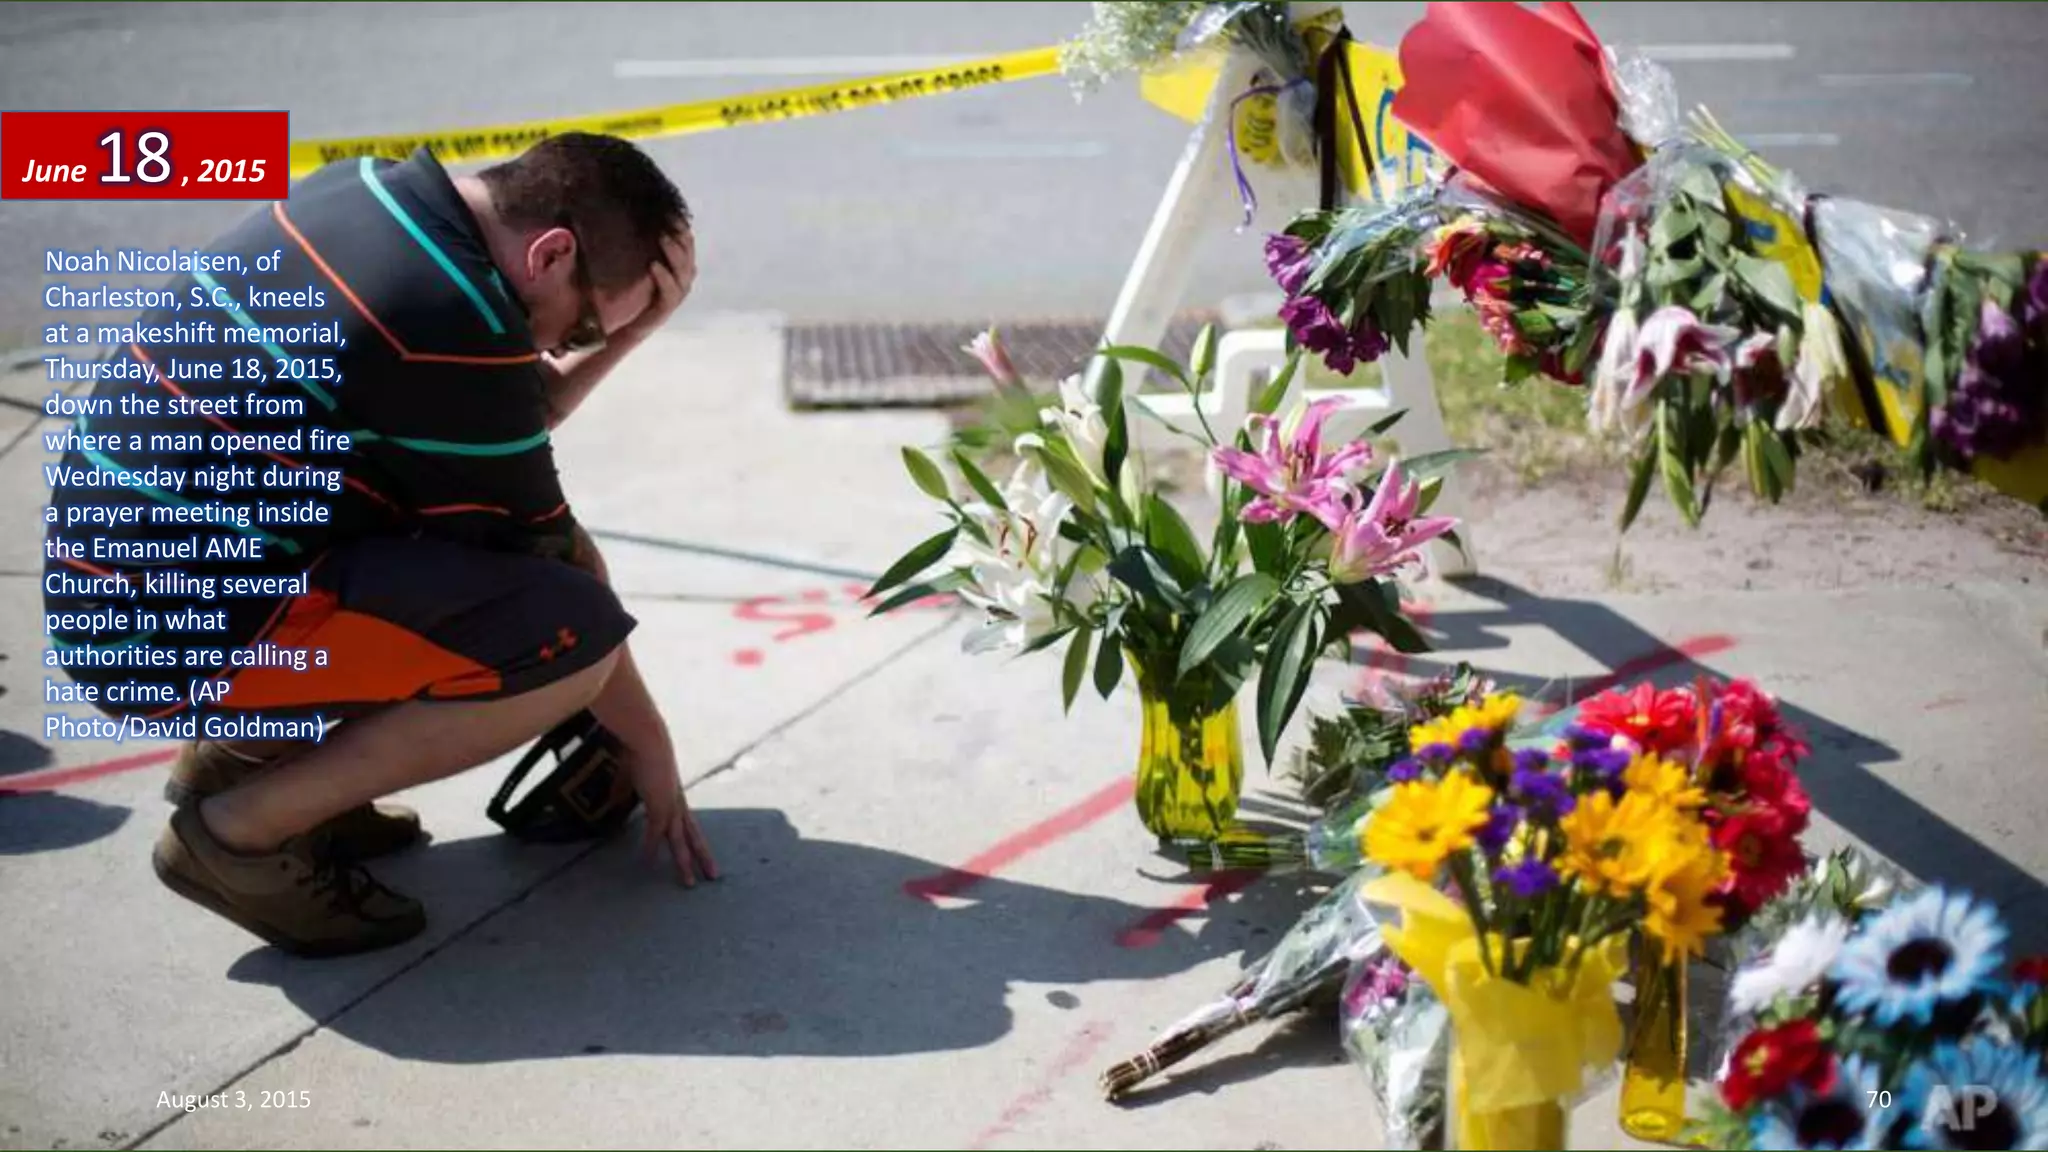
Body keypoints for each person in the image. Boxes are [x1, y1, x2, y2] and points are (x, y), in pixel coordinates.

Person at [42, 133, 716, 958]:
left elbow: (491, 415)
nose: (557, 349)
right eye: (578, 328)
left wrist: (623, 332)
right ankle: (238, 834)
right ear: (550, 252)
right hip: (166, 637)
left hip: (134, 597)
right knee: (566, 637)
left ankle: (250, 758)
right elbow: (556, 568)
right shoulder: (444, 317)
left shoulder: (364, 193)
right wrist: (650, 746)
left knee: (477, 561)